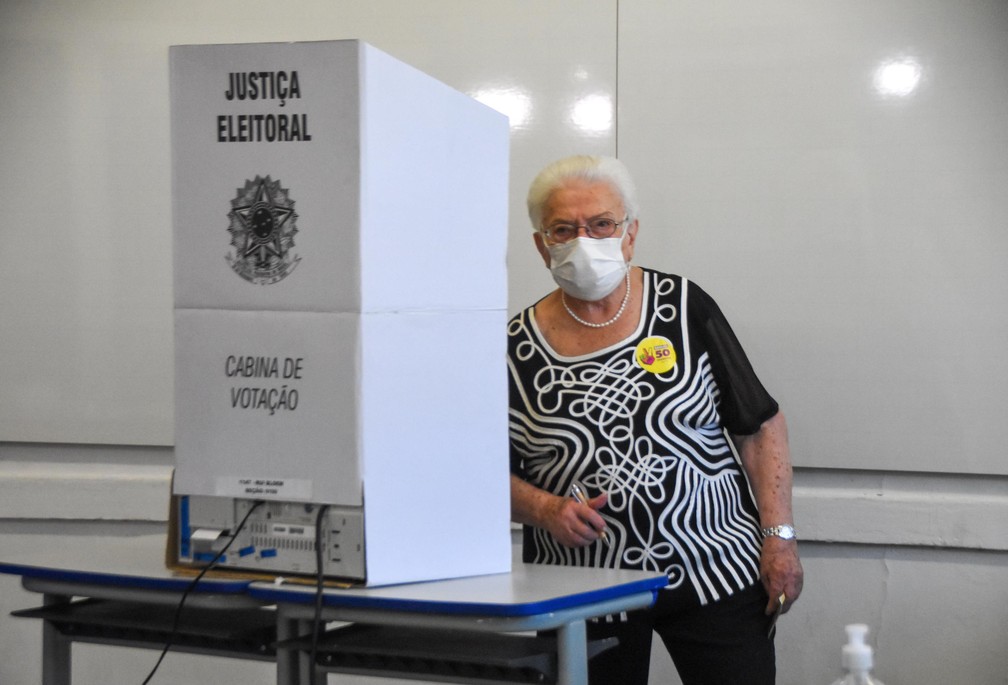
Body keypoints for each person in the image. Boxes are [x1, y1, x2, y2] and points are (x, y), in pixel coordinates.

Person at [508, 155, 803, 685]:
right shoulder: (513, 348)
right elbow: (479, 470)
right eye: (563, 229)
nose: (585, 240)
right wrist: (544, 508)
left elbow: (760, 426)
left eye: (601, 224)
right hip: (582, 590)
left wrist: (778, 538)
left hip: (716, 571)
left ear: (630, 234)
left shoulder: (684, 308)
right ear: (540, 244)